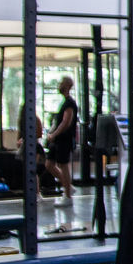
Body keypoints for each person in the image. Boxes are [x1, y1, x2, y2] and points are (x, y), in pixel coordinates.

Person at [45, 76, 78, 207]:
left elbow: (66, 122)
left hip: (64, 140)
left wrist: (54, 134)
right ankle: (68, 185)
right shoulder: (64, 102)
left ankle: (68, 196)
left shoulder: (70, 103)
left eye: (61, 83)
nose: (59, 85)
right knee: (49, 164)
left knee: (63, 165)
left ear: (67, 85)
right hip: (57, 140)